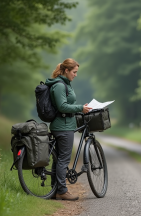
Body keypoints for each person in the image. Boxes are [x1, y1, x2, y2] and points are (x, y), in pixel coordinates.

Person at [45, 58, 92, 200]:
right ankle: (62, 191)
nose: (76, 75)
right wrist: (80, 108)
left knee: (58, 159)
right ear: (66, 71)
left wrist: (81, 107)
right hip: (63, 126)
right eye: (74, 72)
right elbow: (62, 107)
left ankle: (55, 190)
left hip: (65, 125)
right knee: (63, 160)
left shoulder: (65, 84)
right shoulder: (59, 85)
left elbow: (66, 104)